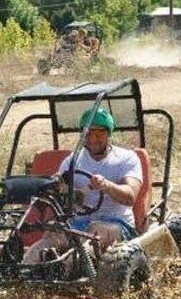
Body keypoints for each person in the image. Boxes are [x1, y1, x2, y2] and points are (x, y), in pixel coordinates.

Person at [23, 107, 143, 264]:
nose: (93, 139)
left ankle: (69, 270)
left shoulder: (126, 158)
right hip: (79, 225)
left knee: (96, 230)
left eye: (99, 133)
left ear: (109, 133)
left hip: (117, 225)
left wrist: (107, 186)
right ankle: (26, 272)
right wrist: (57, 187)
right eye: (88, 134)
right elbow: (59, 192)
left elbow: (130, 197)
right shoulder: (72, 161)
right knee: (53, 234)